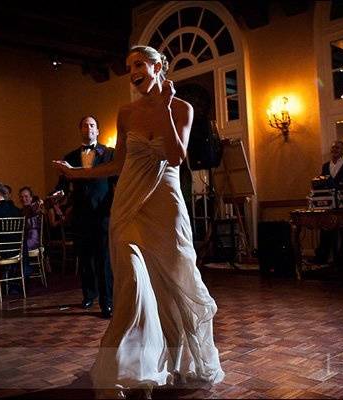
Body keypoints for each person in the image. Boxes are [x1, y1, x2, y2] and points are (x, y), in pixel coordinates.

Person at [53, 45, 224, 398]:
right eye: (130, 66)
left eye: (139, 65)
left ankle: (179, 364)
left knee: (174, 286)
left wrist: (163, 107)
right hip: (128, 206)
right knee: (130, 285)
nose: (133, 72)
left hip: (166, 205)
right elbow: (117, 166)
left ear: (158, 66)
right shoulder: (126, 112)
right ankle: (123, 369)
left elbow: (177, 157)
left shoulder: (181, 108)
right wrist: (76, 175)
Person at [54, 115, 115, 319]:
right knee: (85, 257)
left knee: (103, 259)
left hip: (102, 213)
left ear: (97, 131)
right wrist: (57, 194)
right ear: (80, 130)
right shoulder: (70, 156)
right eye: (85, 125)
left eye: (92, 125)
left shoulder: (108, 153)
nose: (88, 128)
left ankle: (107, 302)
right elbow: (62, 184)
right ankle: (89, 295)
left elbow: (116, 181)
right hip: (80, 214)